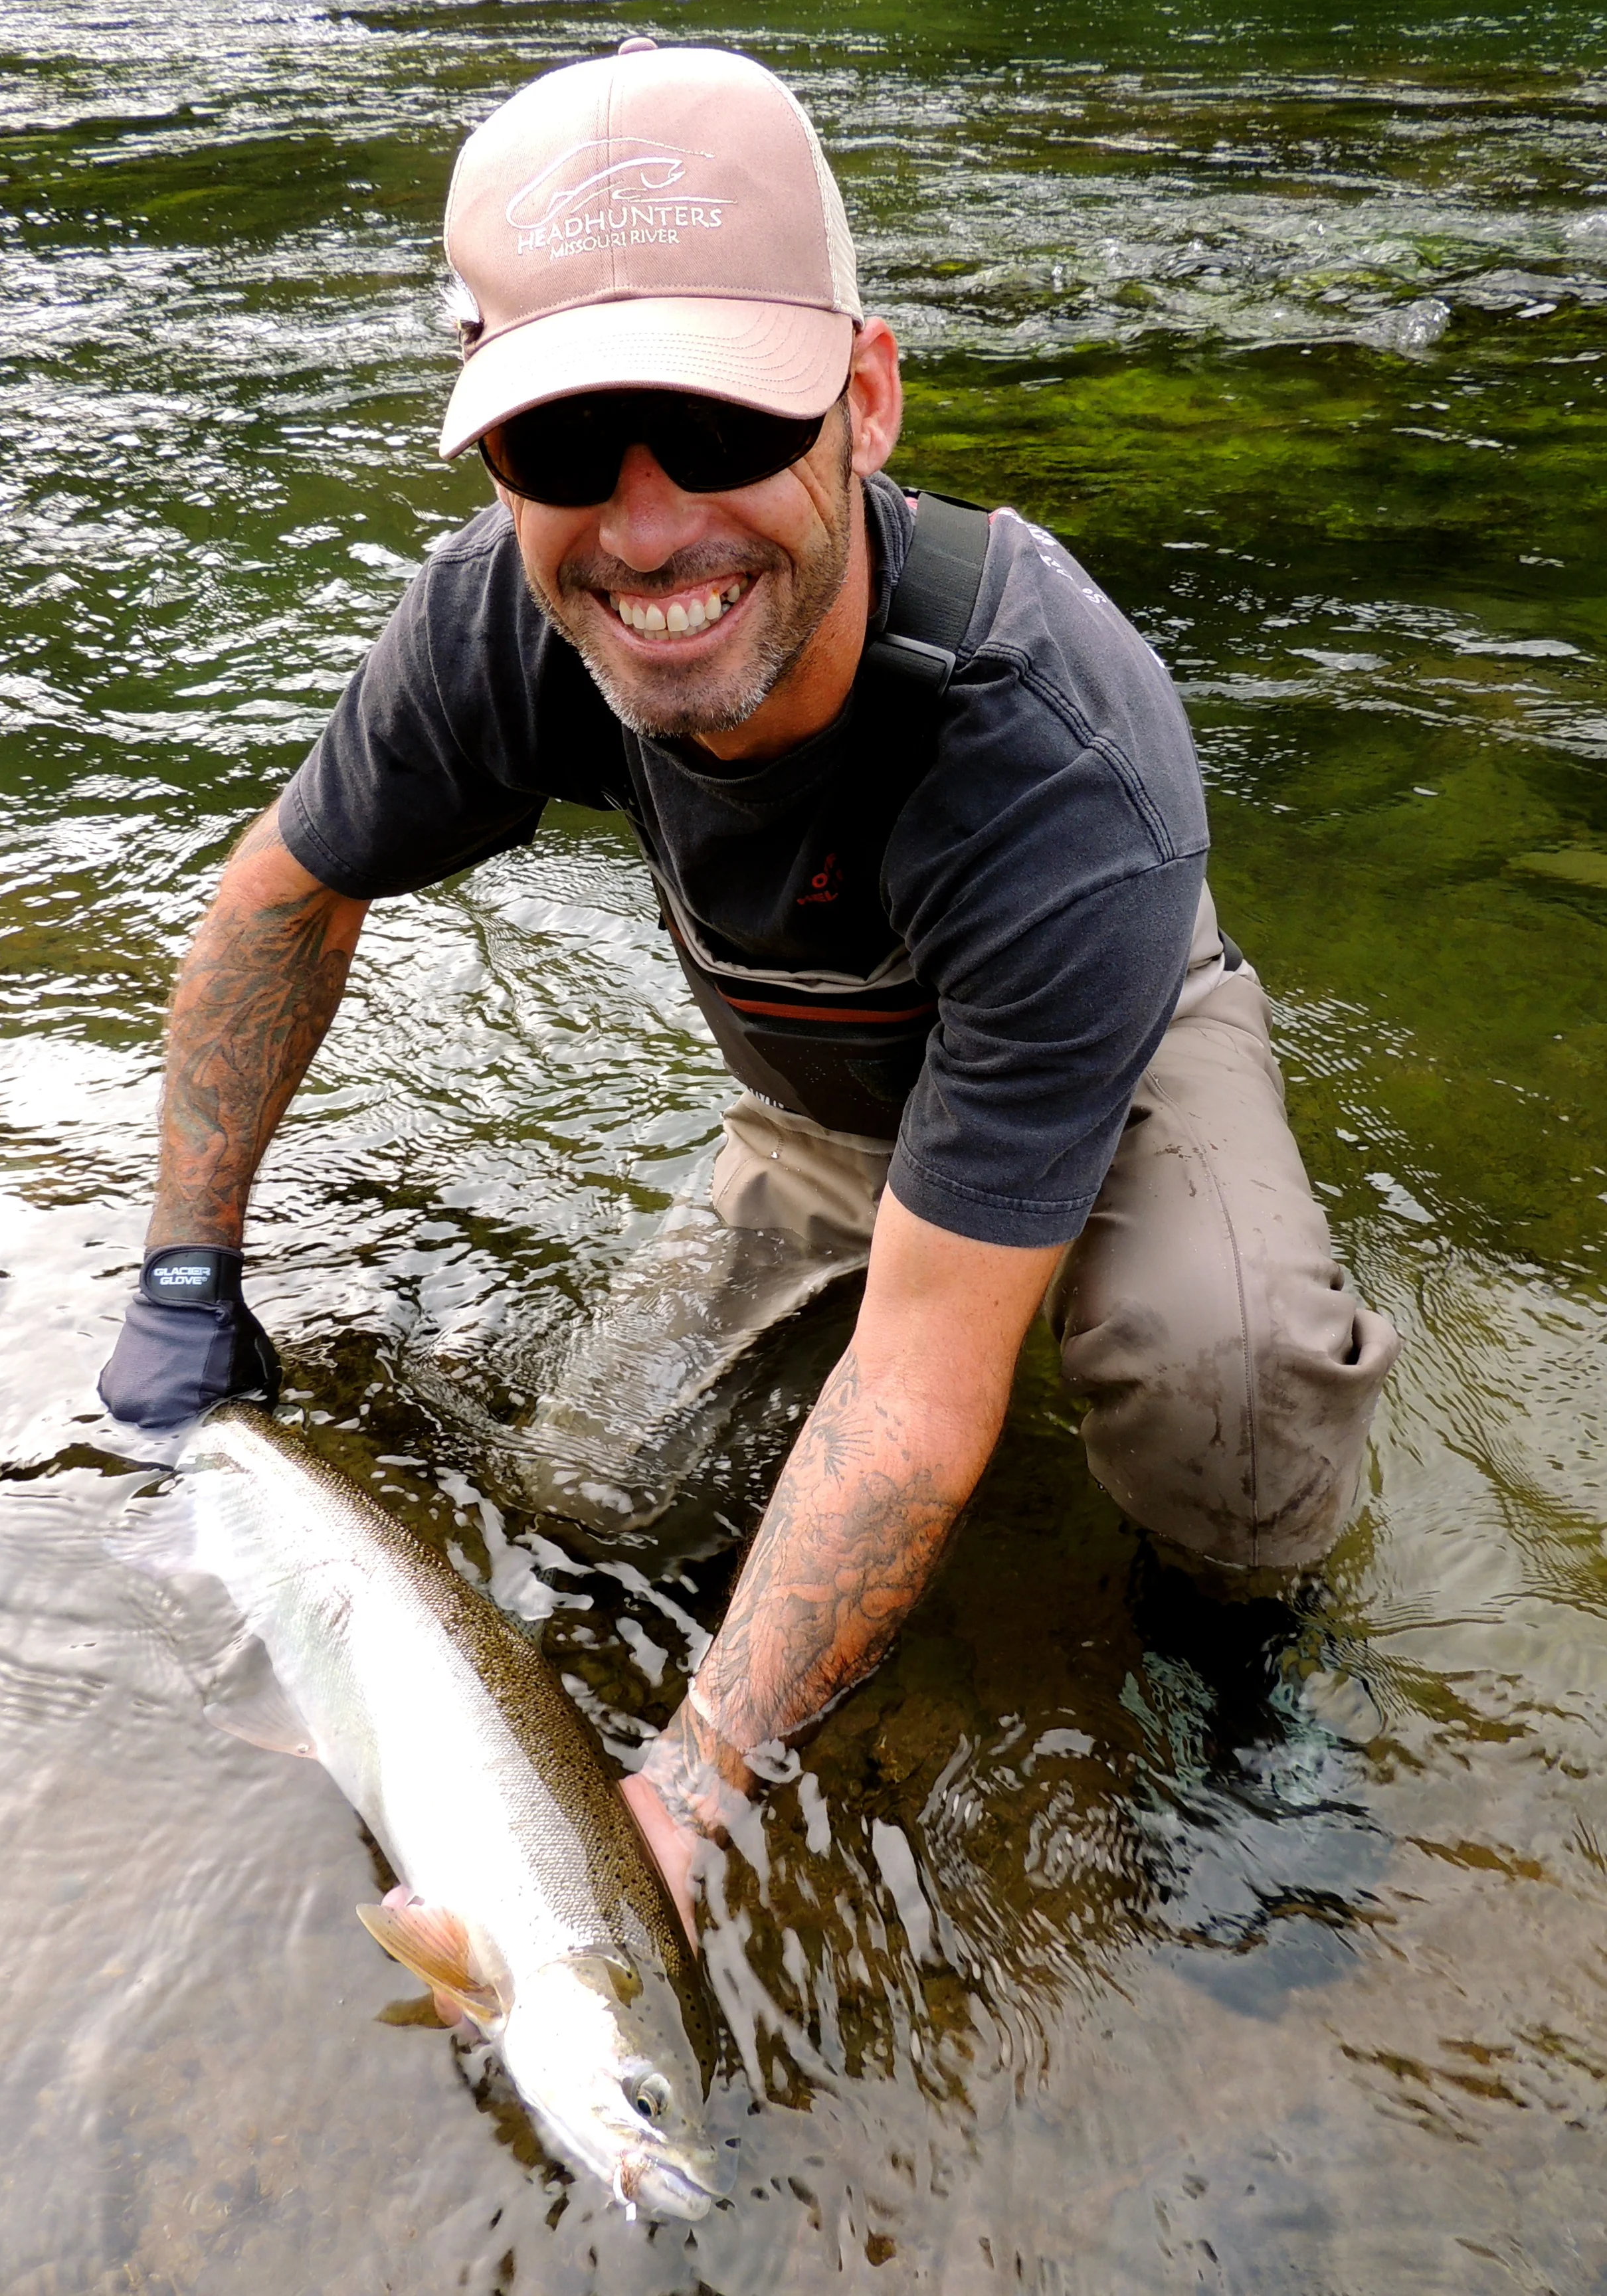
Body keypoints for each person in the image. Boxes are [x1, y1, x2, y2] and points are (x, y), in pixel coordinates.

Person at [97, 40, 1400, 1927]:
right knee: (596, 1501)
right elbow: (278, 904)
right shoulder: (489, 625)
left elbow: (929, 1372)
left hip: (1105, 1055)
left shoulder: (1051, 748)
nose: (644, 529)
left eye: (718, 429)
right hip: (822, 1103)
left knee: (1220, 1376)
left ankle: (1243, 1658)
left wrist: (702, 1776)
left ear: (862, 402)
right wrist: (186, 1277)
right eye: (560, 447)